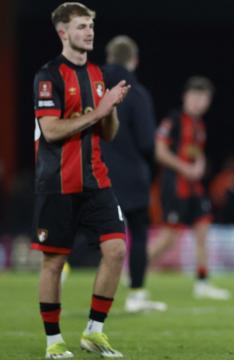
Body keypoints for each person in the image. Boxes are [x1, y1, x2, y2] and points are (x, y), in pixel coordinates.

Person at [32, 3, 130, 358]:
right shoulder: (48, 76)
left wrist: (111, 108)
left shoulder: (96, 74)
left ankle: (94, 332)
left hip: (96, 180)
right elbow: (51, 130)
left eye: (90, 25)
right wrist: (99, 112)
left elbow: (109, 132)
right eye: (80, 26)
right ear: (63, 32)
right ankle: (53, 341)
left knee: (116, 249)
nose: (89, 32)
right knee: (54, 263)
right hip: (58, 182)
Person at [149, 76, 231, 300]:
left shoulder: (199, 125)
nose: (199, 102)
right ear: (186, 97)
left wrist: (200, 164)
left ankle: (202, 283)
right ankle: (137, 270)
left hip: (194, 189)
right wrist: (185, 168)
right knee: (169, 238)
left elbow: (196, 153)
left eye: (203, 98)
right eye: (195, 97)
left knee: (203, 231)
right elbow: (159, 151)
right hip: (174, 186)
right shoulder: (173, 120)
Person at [101, 35, 167, 313]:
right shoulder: (136, 92)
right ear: (134, 60)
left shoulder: (92, 88)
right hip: (130, 176)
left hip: (95, 172)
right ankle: (137, 294)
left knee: (83, 229)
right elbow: (146, 143)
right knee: (138, 233)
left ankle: (61, 273)